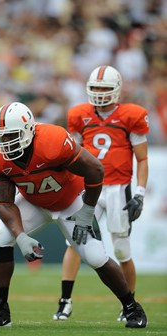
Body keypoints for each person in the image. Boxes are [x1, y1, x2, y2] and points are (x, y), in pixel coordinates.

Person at [0, 101, 147, 329]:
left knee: (96, 257)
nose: (6, 143)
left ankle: (131, 307)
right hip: (34, 202)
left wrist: (88, 210)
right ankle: (0, 310)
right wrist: (20, 236)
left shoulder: (52, 140)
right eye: (2, 137)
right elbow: (4, 202)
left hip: (71, 201)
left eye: (12, 136)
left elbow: (96, 169)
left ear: (29, 129)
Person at [53, 65, 149, 322]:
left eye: (105, 88)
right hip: (89, 188)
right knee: (74, 241)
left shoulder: (132, 115)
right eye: (95, 88)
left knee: (121, 250)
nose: (99, 93)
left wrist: (139, 193)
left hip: (119, 187)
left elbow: (142, 159)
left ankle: (129, 303)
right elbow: (71, 156)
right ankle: (65, 302)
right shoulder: (78, 114)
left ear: (116, 90)